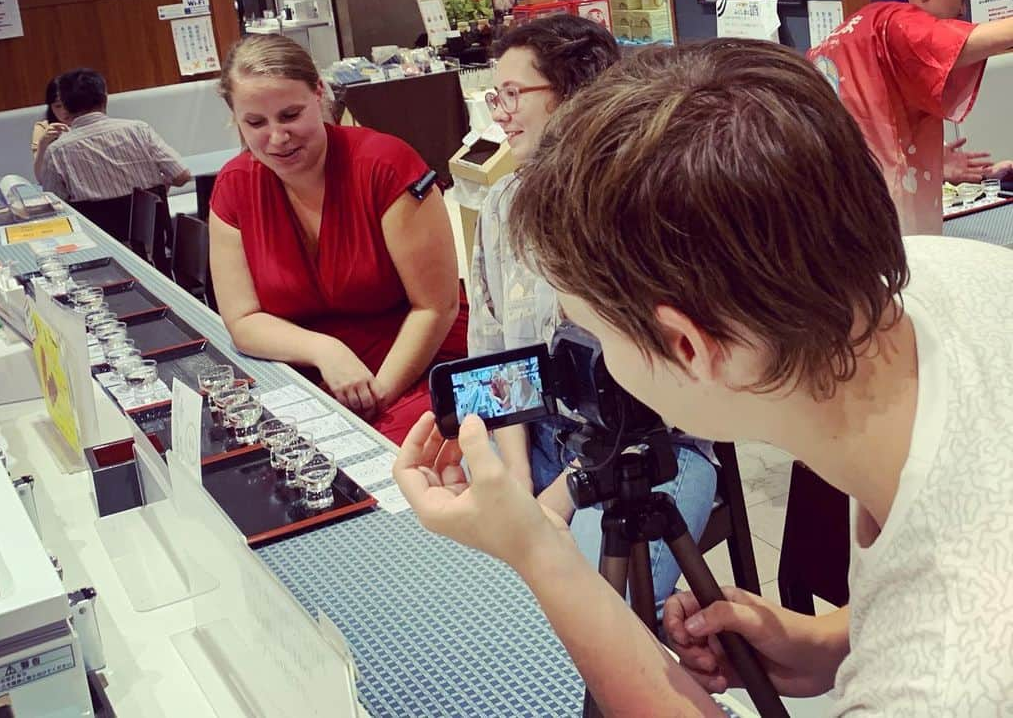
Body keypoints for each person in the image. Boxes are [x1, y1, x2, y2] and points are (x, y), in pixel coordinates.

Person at [394, 39, 1013, 713]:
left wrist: (542, 553)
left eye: (593, 337)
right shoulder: (945, 272)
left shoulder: (947, 682)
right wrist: (837, 640)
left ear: (687, 345)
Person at [469, 14, 718, 609]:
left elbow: (647, 401)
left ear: (577, 95)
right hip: (536, 445)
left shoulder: (639, 208)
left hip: (643, 454)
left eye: (512, 94)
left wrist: (552, 503)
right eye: (494, 95)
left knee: (577, 617)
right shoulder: (503, 202)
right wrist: (515, 480)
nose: (498, 112)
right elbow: (495, 357)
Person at [208, 35, 466, 444]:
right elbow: (243, 321)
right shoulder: (235, 187)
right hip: (311, 370)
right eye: (255, 123)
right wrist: (324, 350)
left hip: (414, 363)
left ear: (319, 93)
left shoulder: (385, 166)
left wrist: (378, 395)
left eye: (290, 115)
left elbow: (436, 307)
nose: (277, 137)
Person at [807, 0, 1013, 235]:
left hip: (829, 202)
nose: (961, 10)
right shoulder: (896, 20)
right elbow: (979, 40)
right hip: (879, 211)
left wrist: (937, 164)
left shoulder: (848, 32)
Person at [37, 69, 191, 240]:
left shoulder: (57, 151)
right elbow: (182, 176)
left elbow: (55, 207)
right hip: (154, 248)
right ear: (105, 98)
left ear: (65, 106)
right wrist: (157, 190)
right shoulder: (138, 130)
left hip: (100, 250)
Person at [31, 77, 70, 172]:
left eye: (68, 103)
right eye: (58, 106)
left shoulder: (86, 121)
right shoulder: (43, 128)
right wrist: (43, 144)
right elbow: (40, 176)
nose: (64, 110)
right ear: (50, 107)